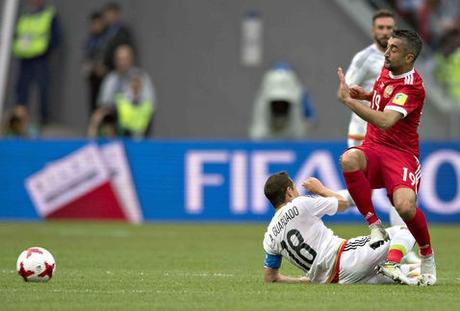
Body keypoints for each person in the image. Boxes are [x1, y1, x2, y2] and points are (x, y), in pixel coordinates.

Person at [337, 29, 436, 285]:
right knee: (348, 159)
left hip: (401, 155)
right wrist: (366, 95)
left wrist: (349, 102)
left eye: (394, 49)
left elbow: (385, 120)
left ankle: (427, 254)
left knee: (405, 207)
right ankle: (374, 226)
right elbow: (383, 97)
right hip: (373, 147)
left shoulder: (413, 87)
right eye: (388, 46)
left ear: (409, 57)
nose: (387, 52)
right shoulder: (387, 69)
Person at [340, 10, 419, 263]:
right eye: (381, 28)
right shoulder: (367, 58)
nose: (385, 33)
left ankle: (404, 252)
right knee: (358, 193)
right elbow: (347, 91)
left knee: (399, 197)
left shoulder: (398, 68)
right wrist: (358, 96)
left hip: (389, 134)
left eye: (389, 28)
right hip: (363, 134)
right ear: (373, 30)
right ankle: (316, 200)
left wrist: (364, 96)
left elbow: (385, 104)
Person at [262, 172, 420, 285]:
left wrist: (302, 280)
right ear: (289, 191)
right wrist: (320, 189)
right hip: (345, 257)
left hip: (333, 280)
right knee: (406, 230)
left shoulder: (270, 236)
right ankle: (392, 264)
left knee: (413, 271)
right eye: (294, 187)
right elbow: (343, 203)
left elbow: (271, 277)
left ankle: (401, 268)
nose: (297, 191)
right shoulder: (300, 204)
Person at [13, 0, 60, 125]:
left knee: (43, 88)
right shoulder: (24, 14)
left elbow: (55, 37)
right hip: (24, 57)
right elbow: (18, 33)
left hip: (41, 57)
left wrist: (47, 50)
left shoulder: (49, 14)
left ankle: (44, 118)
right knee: (21, 88)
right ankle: (19, 119)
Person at [249, 62, 317, 140]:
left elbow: (310, 116)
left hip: (292, 135)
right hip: (267, 135)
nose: (279, 106)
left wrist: (309, 120)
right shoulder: (263, 97)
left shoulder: (299, 93)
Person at [97, 44, 155, 108]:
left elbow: (150, 102)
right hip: (115, 115)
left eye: (125, 59)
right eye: (119, 59)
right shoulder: (111, 79)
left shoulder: (141, 76)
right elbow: (104, 102)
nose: (122, 63)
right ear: (114, 61)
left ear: (132, 59)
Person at [82, 11, 108, 114]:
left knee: (104, 103)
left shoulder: (106, 39)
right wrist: (91, 67)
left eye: (98, 24)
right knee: (93, 102)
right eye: (94, 24)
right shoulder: (90, 40)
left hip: (105, 76)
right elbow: (85, 58)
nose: (96, 27)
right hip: (92, 77)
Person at [101, 2, 134, 71]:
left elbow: (125, 51)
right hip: (107, 70)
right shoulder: (104, 31)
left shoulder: (123, 32)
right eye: (106, 15)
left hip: (118, 69)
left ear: (117, 14)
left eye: (110, 14)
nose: (107, 17)